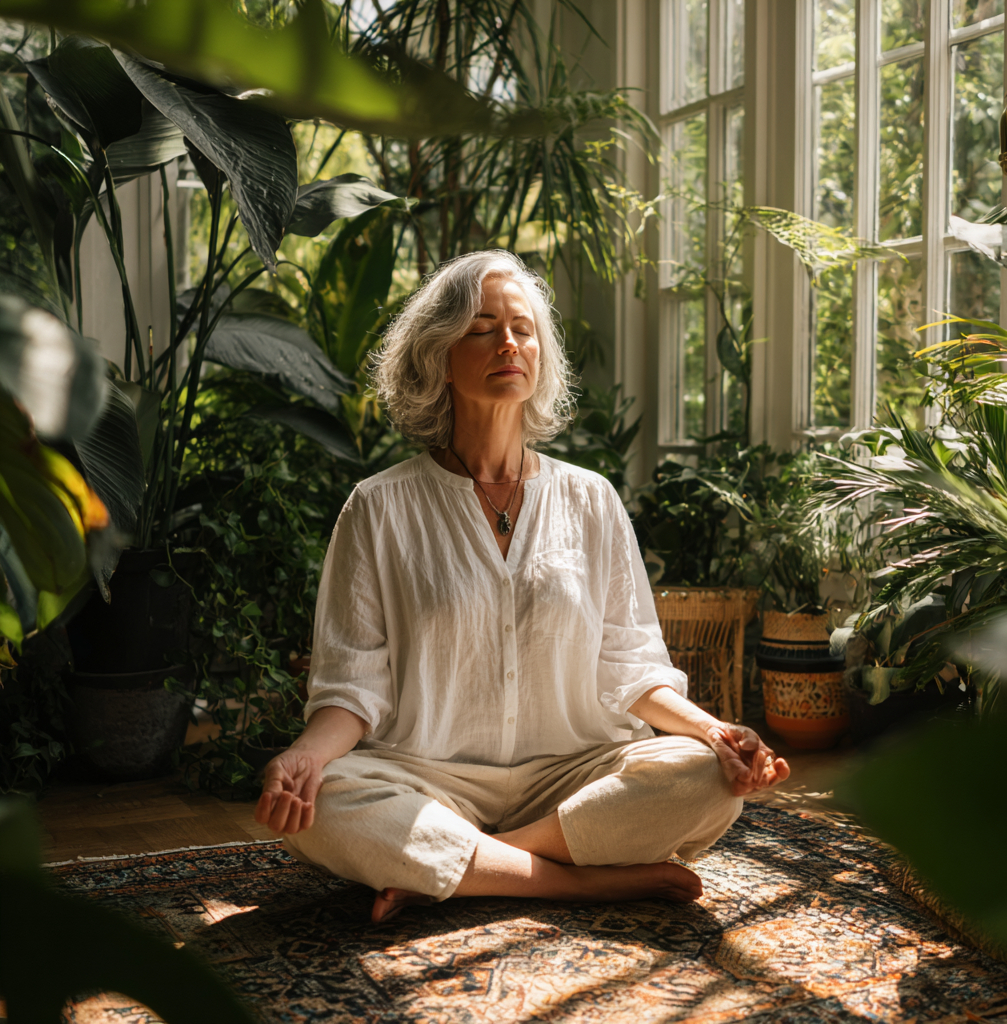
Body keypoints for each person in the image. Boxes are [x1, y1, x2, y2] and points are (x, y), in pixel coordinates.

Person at [254, 250, 790, 923]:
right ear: (435, 355)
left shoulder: (591, 499)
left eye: (523, 328)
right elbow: (354, 687)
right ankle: (574, 882)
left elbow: (633, 670)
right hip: (428, 779)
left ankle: (471, 864)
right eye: (482, 329)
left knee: (707, 780)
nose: (508, 342)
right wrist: (304, 757)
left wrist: (717, 733)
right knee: (322, 803)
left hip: (576, 774)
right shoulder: (377, 508)